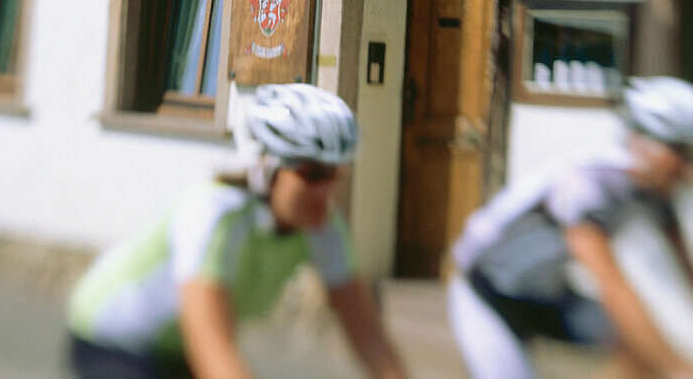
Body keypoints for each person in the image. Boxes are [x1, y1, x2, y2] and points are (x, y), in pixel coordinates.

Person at [67, 82, 410, 379]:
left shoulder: (323, 226)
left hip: (177, 349)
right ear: (267, 167)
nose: (326, 190)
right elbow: (212, 345)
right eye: (312, 173)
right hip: (113, 341)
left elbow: (369, 337)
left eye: (336, 173)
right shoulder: (216, 216)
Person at [448, 76, 693, 379]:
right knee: (639, 335)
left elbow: (688, 275)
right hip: (485, 293)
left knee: (636, 346)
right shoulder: (588, 183)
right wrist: (676, 368)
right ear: (647, 144)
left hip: (541, 293)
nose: (688, 170)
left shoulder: (656, 194)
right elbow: (612, 284)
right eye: (683, 154)